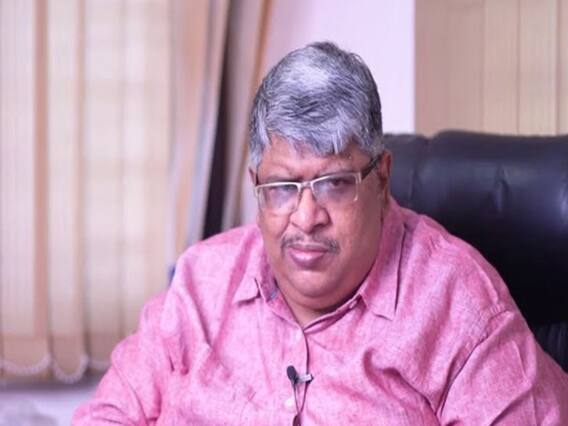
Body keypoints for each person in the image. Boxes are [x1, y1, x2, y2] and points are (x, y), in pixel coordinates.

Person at [74, 41, 568, 425]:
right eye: (282, 188)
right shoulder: (200, 284)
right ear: (256, 185)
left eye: (333, 184)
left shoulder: (460, 306)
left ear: (381, 179)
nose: (306, 217)